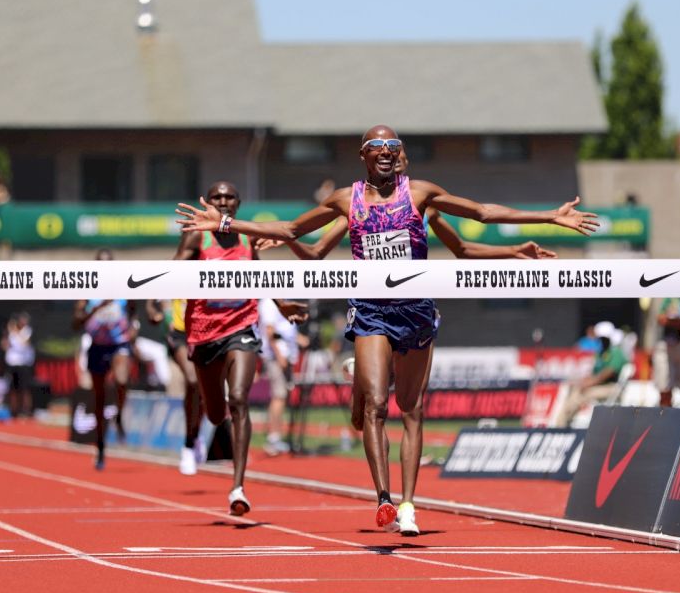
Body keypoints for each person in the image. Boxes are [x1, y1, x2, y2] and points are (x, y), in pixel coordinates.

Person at [176, 124, 596, 535]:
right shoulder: (349, 202)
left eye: (393, 146)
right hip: (371, 310)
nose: (386, 152)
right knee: (378, 405)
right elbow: (300, 238)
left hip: (415, 313)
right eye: (377, 146)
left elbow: (478, 222)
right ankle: (384, 497)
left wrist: (548, 219)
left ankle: (409, 503)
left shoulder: (421, 196)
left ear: (400, 155)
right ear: (363, 155)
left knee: (410, 409)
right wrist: (227, 226)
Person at [176, 181, 308, 513]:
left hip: (241, 324)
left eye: (229, 196)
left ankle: (238, 486)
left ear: (238, 203)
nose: (223, 201)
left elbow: (261, 275)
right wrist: (154, 300)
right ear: (209, 200)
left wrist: (281, 305)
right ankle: (201, 429)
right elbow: (172, 270)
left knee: (239, 399)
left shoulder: (247, 237)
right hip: (204, 331)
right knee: (216, 412)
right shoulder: (197, 236)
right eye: (217, 196)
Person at [72, 248, 136, 470]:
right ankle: (100, 447)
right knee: (98, 397)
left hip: (119, 343)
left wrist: (134, 327)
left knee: (121, 381)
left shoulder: (124, 286)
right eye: (101, 264)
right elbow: (76, 321)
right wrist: (98, 306)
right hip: (97, 345)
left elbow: (133, 310)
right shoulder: (88, 289)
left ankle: (118, 413)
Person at [145, 295, 202, 475]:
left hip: (205, 334)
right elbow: (150, 304)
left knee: (204, 393)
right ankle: (188, 445)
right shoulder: (171, 271)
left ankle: (196, 434)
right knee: (192, 379)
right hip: (179, 334)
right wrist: (156, 314)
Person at [555, 321, 627, 426]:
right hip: (599, 386)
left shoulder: (616, 352)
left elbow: (608, 373)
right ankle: (563, 423)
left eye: (602, 338)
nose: (600, 341)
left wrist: (590, 383)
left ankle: (562, 424)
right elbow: (594, 374)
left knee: (584, 394)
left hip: (611, 387)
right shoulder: (600, 353)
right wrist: (582, 382)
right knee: (575, 389)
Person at [258, 298, 300, 455]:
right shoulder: (269, 302)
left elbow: (285, 330)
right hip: (277, 356)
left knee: (281, 396)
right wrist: (279, 354)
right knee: (279, 396)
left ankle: (276, 437)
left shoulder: (283, 300)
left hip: (286, 354)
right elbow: (270, 331)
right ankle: (273, 438)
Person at [2, 312, 35, 418]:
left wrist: (13, 330)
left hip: (24, 364)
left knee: (24, 388)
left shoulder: (27, 331)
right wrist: (7, 335)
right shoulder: (10, 333)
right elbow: (4, 345)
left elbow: (24, 343)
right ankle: (13, 410)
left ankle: (25, 410)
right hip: (12, 363)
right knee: (13, 388)